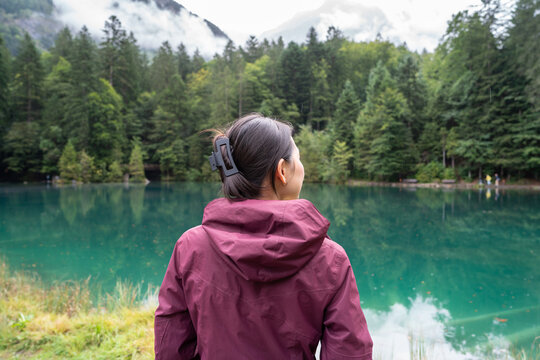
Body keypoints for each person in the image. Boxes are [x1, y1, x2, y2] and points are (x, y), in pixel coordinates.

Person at [154, 114, 373, 359]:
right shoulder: (330, 259)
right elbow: (350, 353)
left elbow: (170, 344)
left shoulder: (191, 246)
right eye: (298, 159)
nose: (302, 168)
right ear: (282, 171)